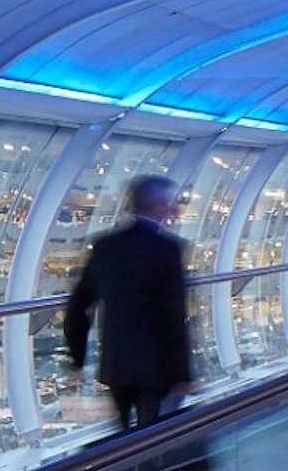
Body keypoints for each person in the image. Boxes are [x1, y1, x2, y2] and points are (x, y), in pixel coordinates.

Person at [63, 174, 195, 428]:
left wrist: (77, 358)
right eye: (169, 203)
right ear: (157, 205)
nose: (172, 209)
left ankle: (130, 465)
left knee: (124, 433)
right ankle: (151, 467)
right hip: (159, 365)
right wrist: (183, 374)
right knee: (153, 434)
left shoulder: (105, 246)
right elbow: (173, 315)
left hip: (117, 363)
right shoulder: (167, 249)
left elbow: (78, 305)